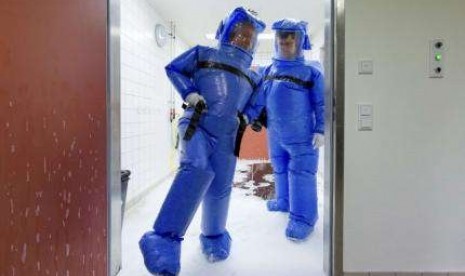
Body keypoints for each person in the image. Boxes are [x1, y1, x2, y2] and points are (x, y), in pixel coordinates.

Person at [139, 7, 265, 275]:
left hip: (228, 138)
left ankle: (214, 236)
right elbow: (174, 68)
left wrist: (248, 117)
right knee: (196, 168)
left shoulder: (252, 76)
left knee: (219, 190)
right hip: (198, 124)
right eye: (240, 32)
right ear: (227, 31)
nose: (244, 39)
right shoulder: (203, 53)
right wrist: (190, 92)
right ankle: (162, 239)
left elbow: (256, 104)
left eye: (249, 36)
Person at [246, 19, 324, 241]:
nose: (287, 40)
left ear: (300, 40)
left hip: (303, 137)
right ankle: (284, 201)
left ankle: (303, 219)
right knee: (279, 167)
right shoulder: (269, 70)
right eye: (283, 36)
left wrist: (321, 129)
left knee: (301, 174)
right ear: (277, 40)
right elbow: (259, 100)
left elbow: (322, 103)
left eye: (292, 37)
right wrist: (247, 117)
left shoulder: (311, 71)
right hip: (277, 135)